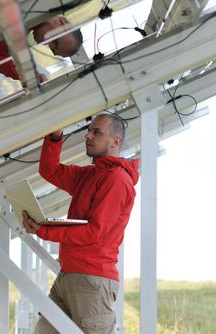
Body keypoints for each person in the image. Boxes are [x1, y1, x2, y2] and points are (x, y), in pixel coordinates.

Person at [22, 113, 139, 334]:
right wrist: (55, 138)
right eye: (89, 130)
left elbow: (95, 232)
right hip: (68, 276)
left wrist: (45, 231)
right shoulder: (90, 175)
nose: (88, 136)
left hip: (92, 281)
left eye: (97, 132)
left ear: (116, 141)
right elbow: (50, 171)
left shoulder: (116, 180)